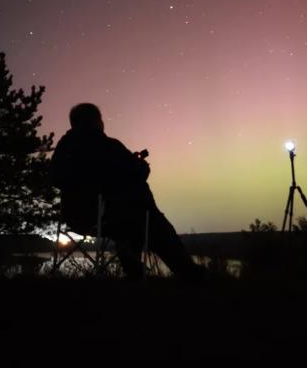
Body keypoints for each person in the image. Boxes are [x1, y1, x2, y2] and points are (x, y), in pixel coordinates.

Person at [51, 103, 205, 281]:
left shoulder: (63, 148)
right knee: (148, 221)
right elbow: (138, 172)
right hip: (109, 217)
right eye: (100, 120)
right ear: (95, 121)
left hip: (75, 217)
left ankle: (134, 269)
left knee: (131, 219)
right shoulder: (107, 145)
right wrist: (140, 166)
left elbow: (57, 179)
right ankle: (188, 273)